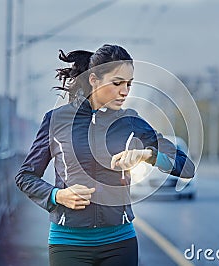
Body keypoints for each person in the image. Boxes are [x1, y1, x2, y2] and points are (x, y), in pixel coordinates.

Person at [15, 44, 196, 266]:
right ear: (94, 79)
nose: (125, 91)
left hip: (120, 243)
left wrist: (147, 154)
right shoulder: (56, 120)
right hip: (68, 243)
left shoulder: (130, 121)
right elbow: (25, 176)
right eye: (117, 82)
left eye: (129, 84)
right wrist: (56, 196)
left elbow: (187, 168)